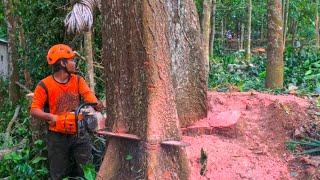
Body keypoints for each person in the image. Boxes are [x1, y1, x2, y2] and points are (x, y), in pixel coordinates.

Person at [30, 44, 103, 179]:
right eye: (71, 60)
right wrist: (52, 117)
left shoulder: (77, 80)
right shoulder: (44, 85)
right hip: (57, 137)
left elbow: (88, 95)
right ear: (62, 63)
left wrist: (96, 104)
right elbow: (34, 110)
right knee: (58, 173)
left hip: (79, 133)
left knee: (86, 169)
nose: (74, 63)